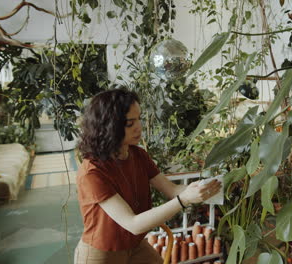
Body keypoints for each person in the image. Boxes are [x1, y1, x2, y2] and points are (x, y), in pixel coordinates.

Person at [74, 88, 221, 264]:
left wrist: (201, 189)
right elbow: (133, 224)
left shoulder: (138, 155)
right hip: (101, 253)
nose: (139, 127)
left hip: (134, 244)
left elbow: (172, 189)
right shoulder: (93, 172)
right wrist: (184, 200)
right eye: (130, 123)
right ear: (108, 126)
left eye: (139, 119)